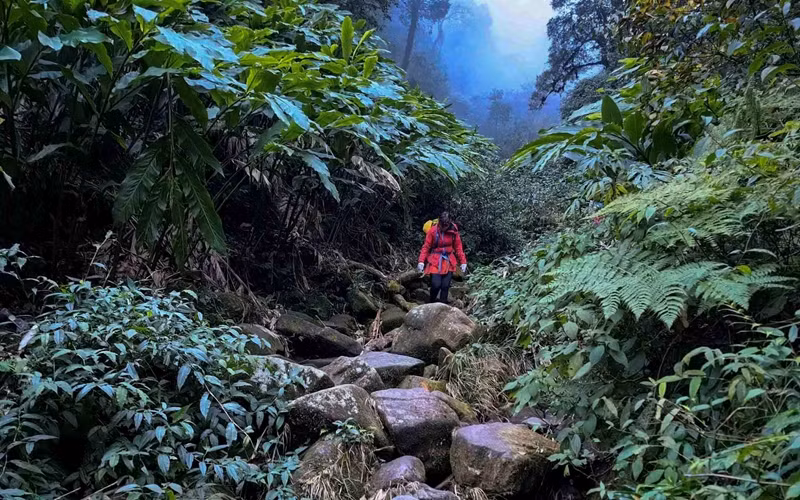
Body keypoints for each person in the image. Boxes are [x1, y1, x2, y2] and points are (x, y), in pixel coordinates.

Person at [417, 212, 467, 303]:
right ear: (439, 222)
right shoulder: (433, 231)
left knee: (445, 286)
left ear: (449, 223)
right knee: (436, 285)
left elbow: (458, 247)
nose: (444, 227)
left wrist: (463, 262)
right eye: (442, 225)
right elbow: (426, 246)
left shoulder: (453, 231)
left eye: (446, 225)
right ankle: (431, 303)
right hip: (435, 260)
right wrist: (421, 261)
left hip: (449, 261)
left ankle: (443, 308)